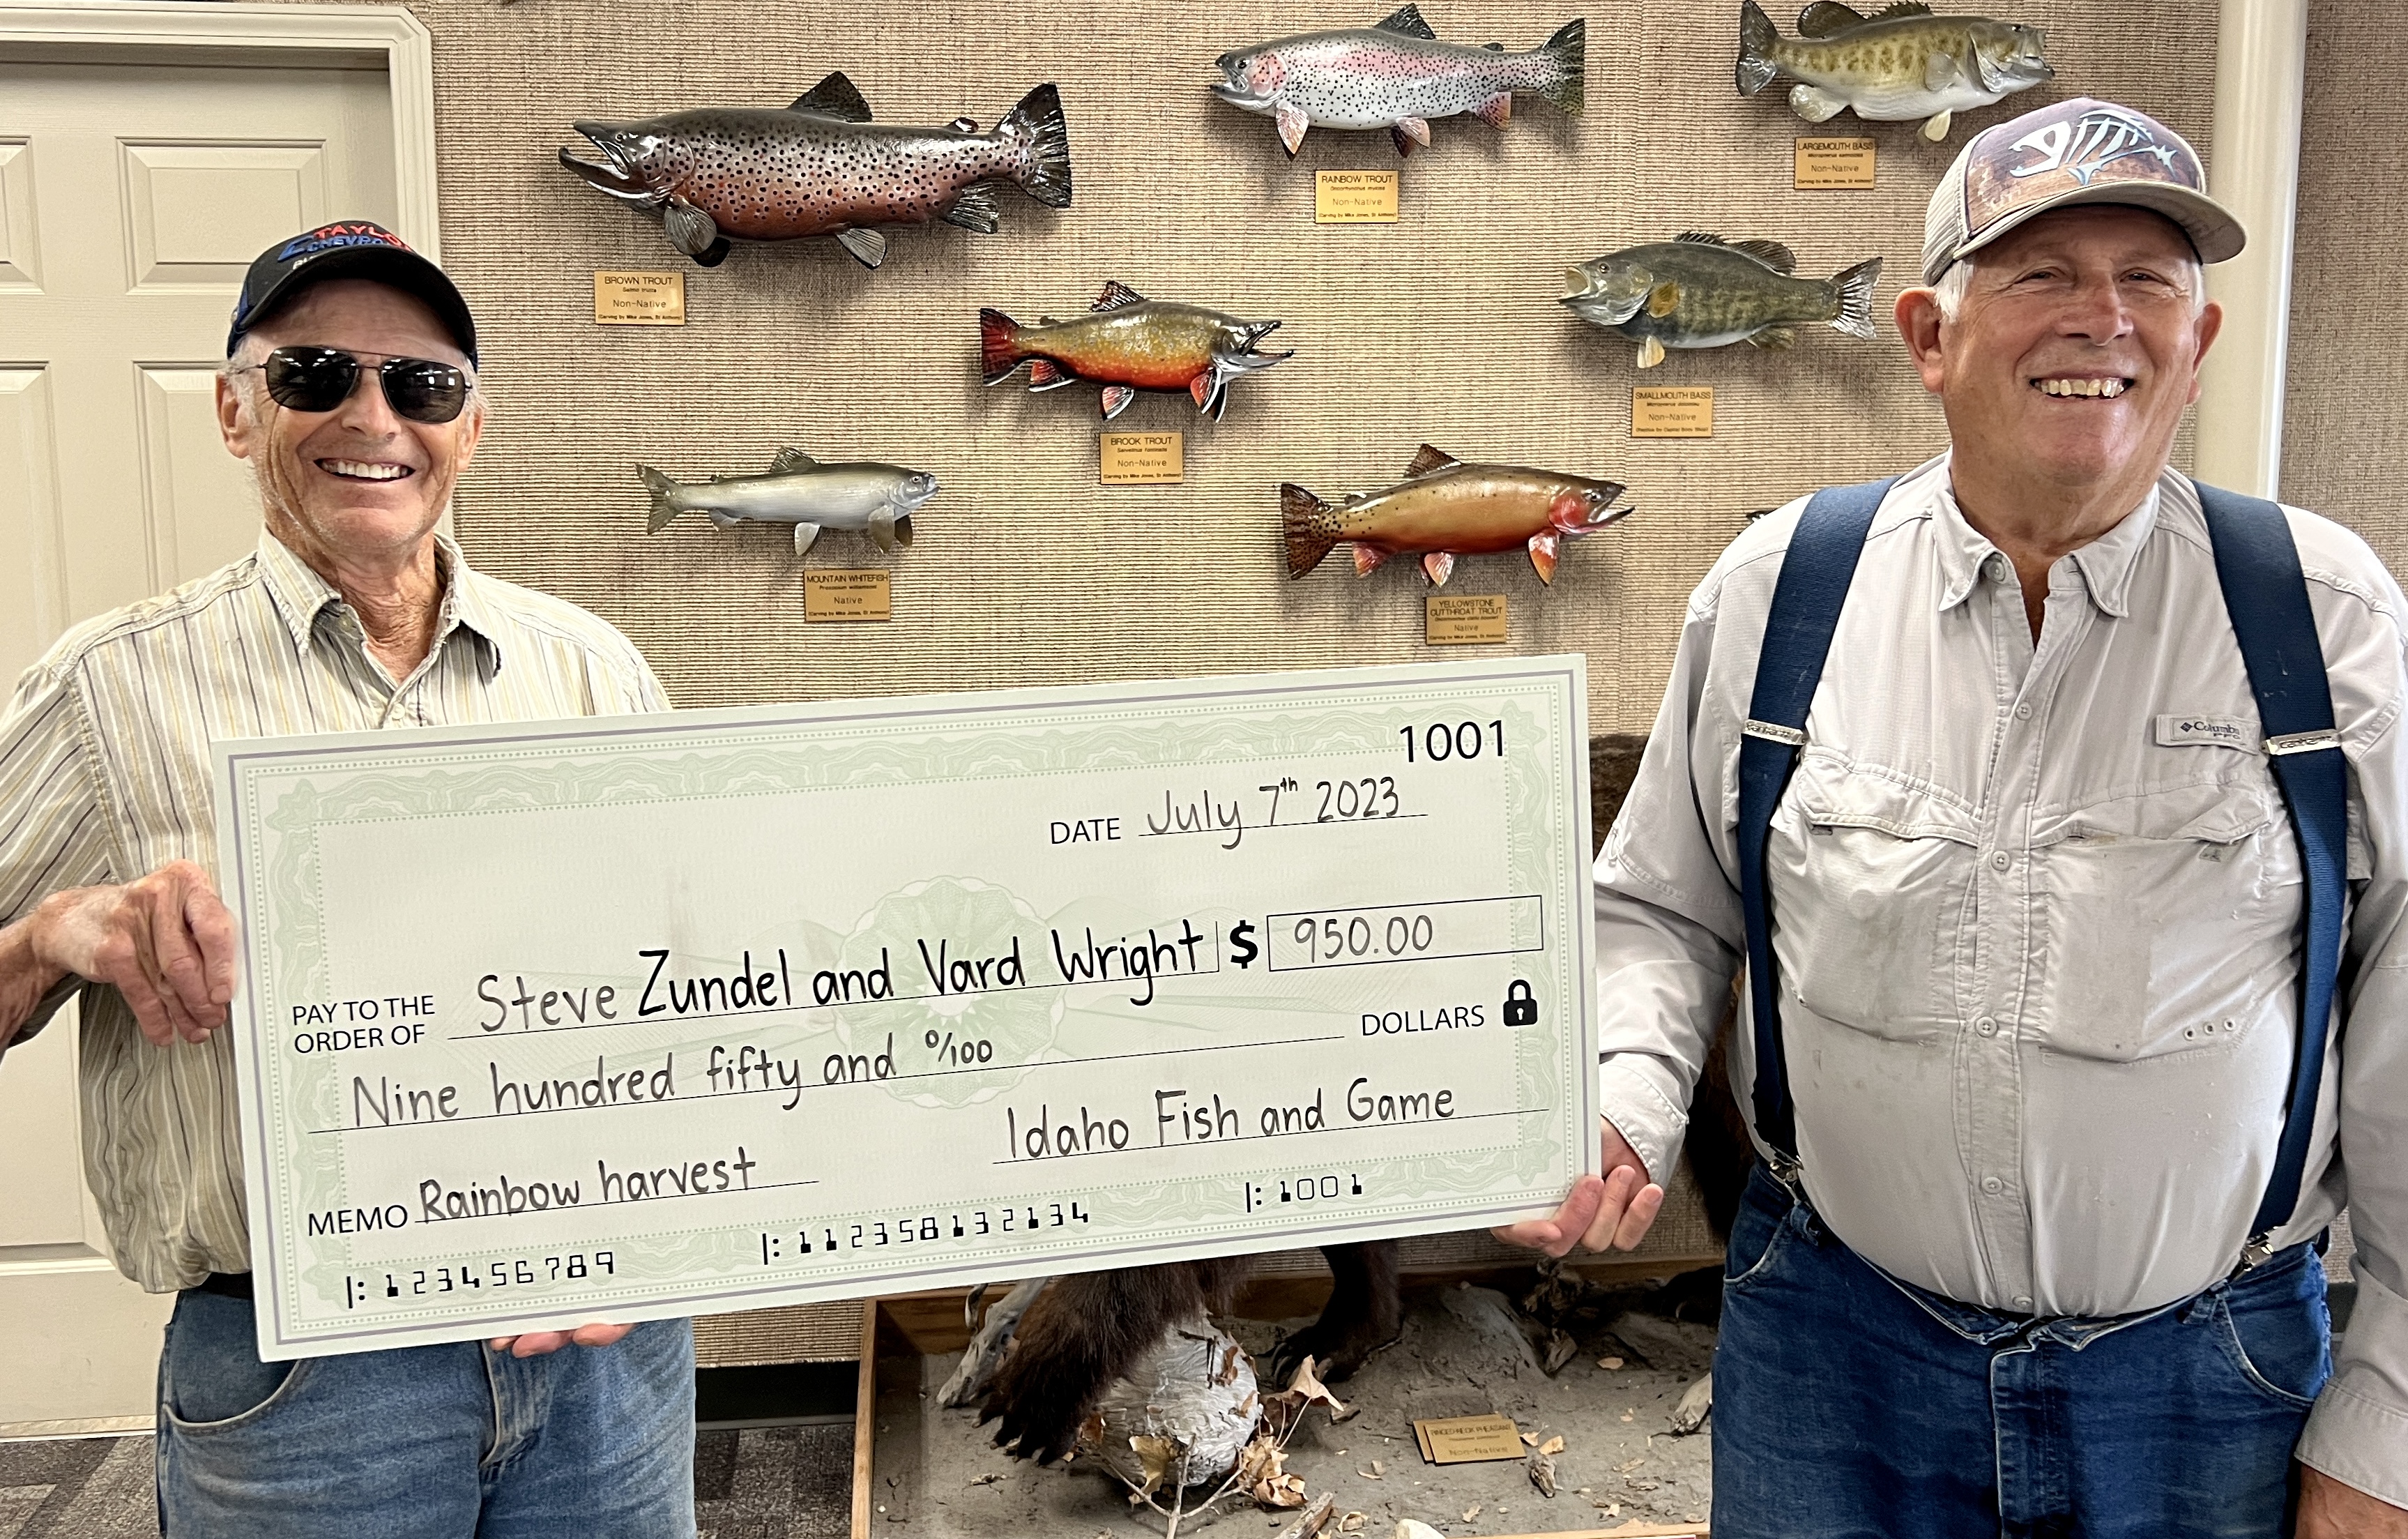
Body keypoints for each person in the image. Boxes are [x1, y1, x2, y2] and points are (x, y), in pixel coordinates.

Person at [1501, 98, 2407, 1534]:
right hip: (1832, 1354)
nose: (2098, 318)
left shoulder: (2325, 617)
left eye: (2147, 280)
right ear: (1927, 337)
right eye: (2040, 273)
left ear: (2196, 342)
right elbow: (1662, 909)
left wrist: (2386, 1421)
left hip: (2210, 1378)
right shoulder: (1775, 591)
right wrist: (1625, 1095)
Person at [0, 222, 694, 1537]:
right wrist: (59, 931)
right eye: (314, 373)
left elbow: (704, 986)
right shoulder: (109, 688)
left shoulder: (596, 673)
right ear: (234, 407)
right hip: (308, 1382)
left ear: (469, 427)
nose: (371, 416)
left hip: (604, 1343)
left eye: (419, 383)